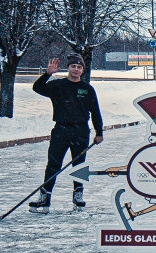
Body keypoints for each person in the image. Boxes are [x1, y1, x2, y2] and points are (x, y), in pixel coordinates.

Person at [30, 53, 104, 213]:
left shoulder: (87, 89)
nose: (76, 69)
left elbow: (96, 111)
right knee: (53, 165)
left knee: (79, 165)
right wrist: (47, 74)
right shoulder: (58, 86)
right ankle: (45, 198)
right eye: (73, 66)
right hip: (61, 130)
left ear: (82, 70)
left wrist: (99, 132)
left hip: (80, 131)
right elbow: (37, 88)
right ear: (68, 68)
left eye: (79, 67)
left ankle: (78, 195)